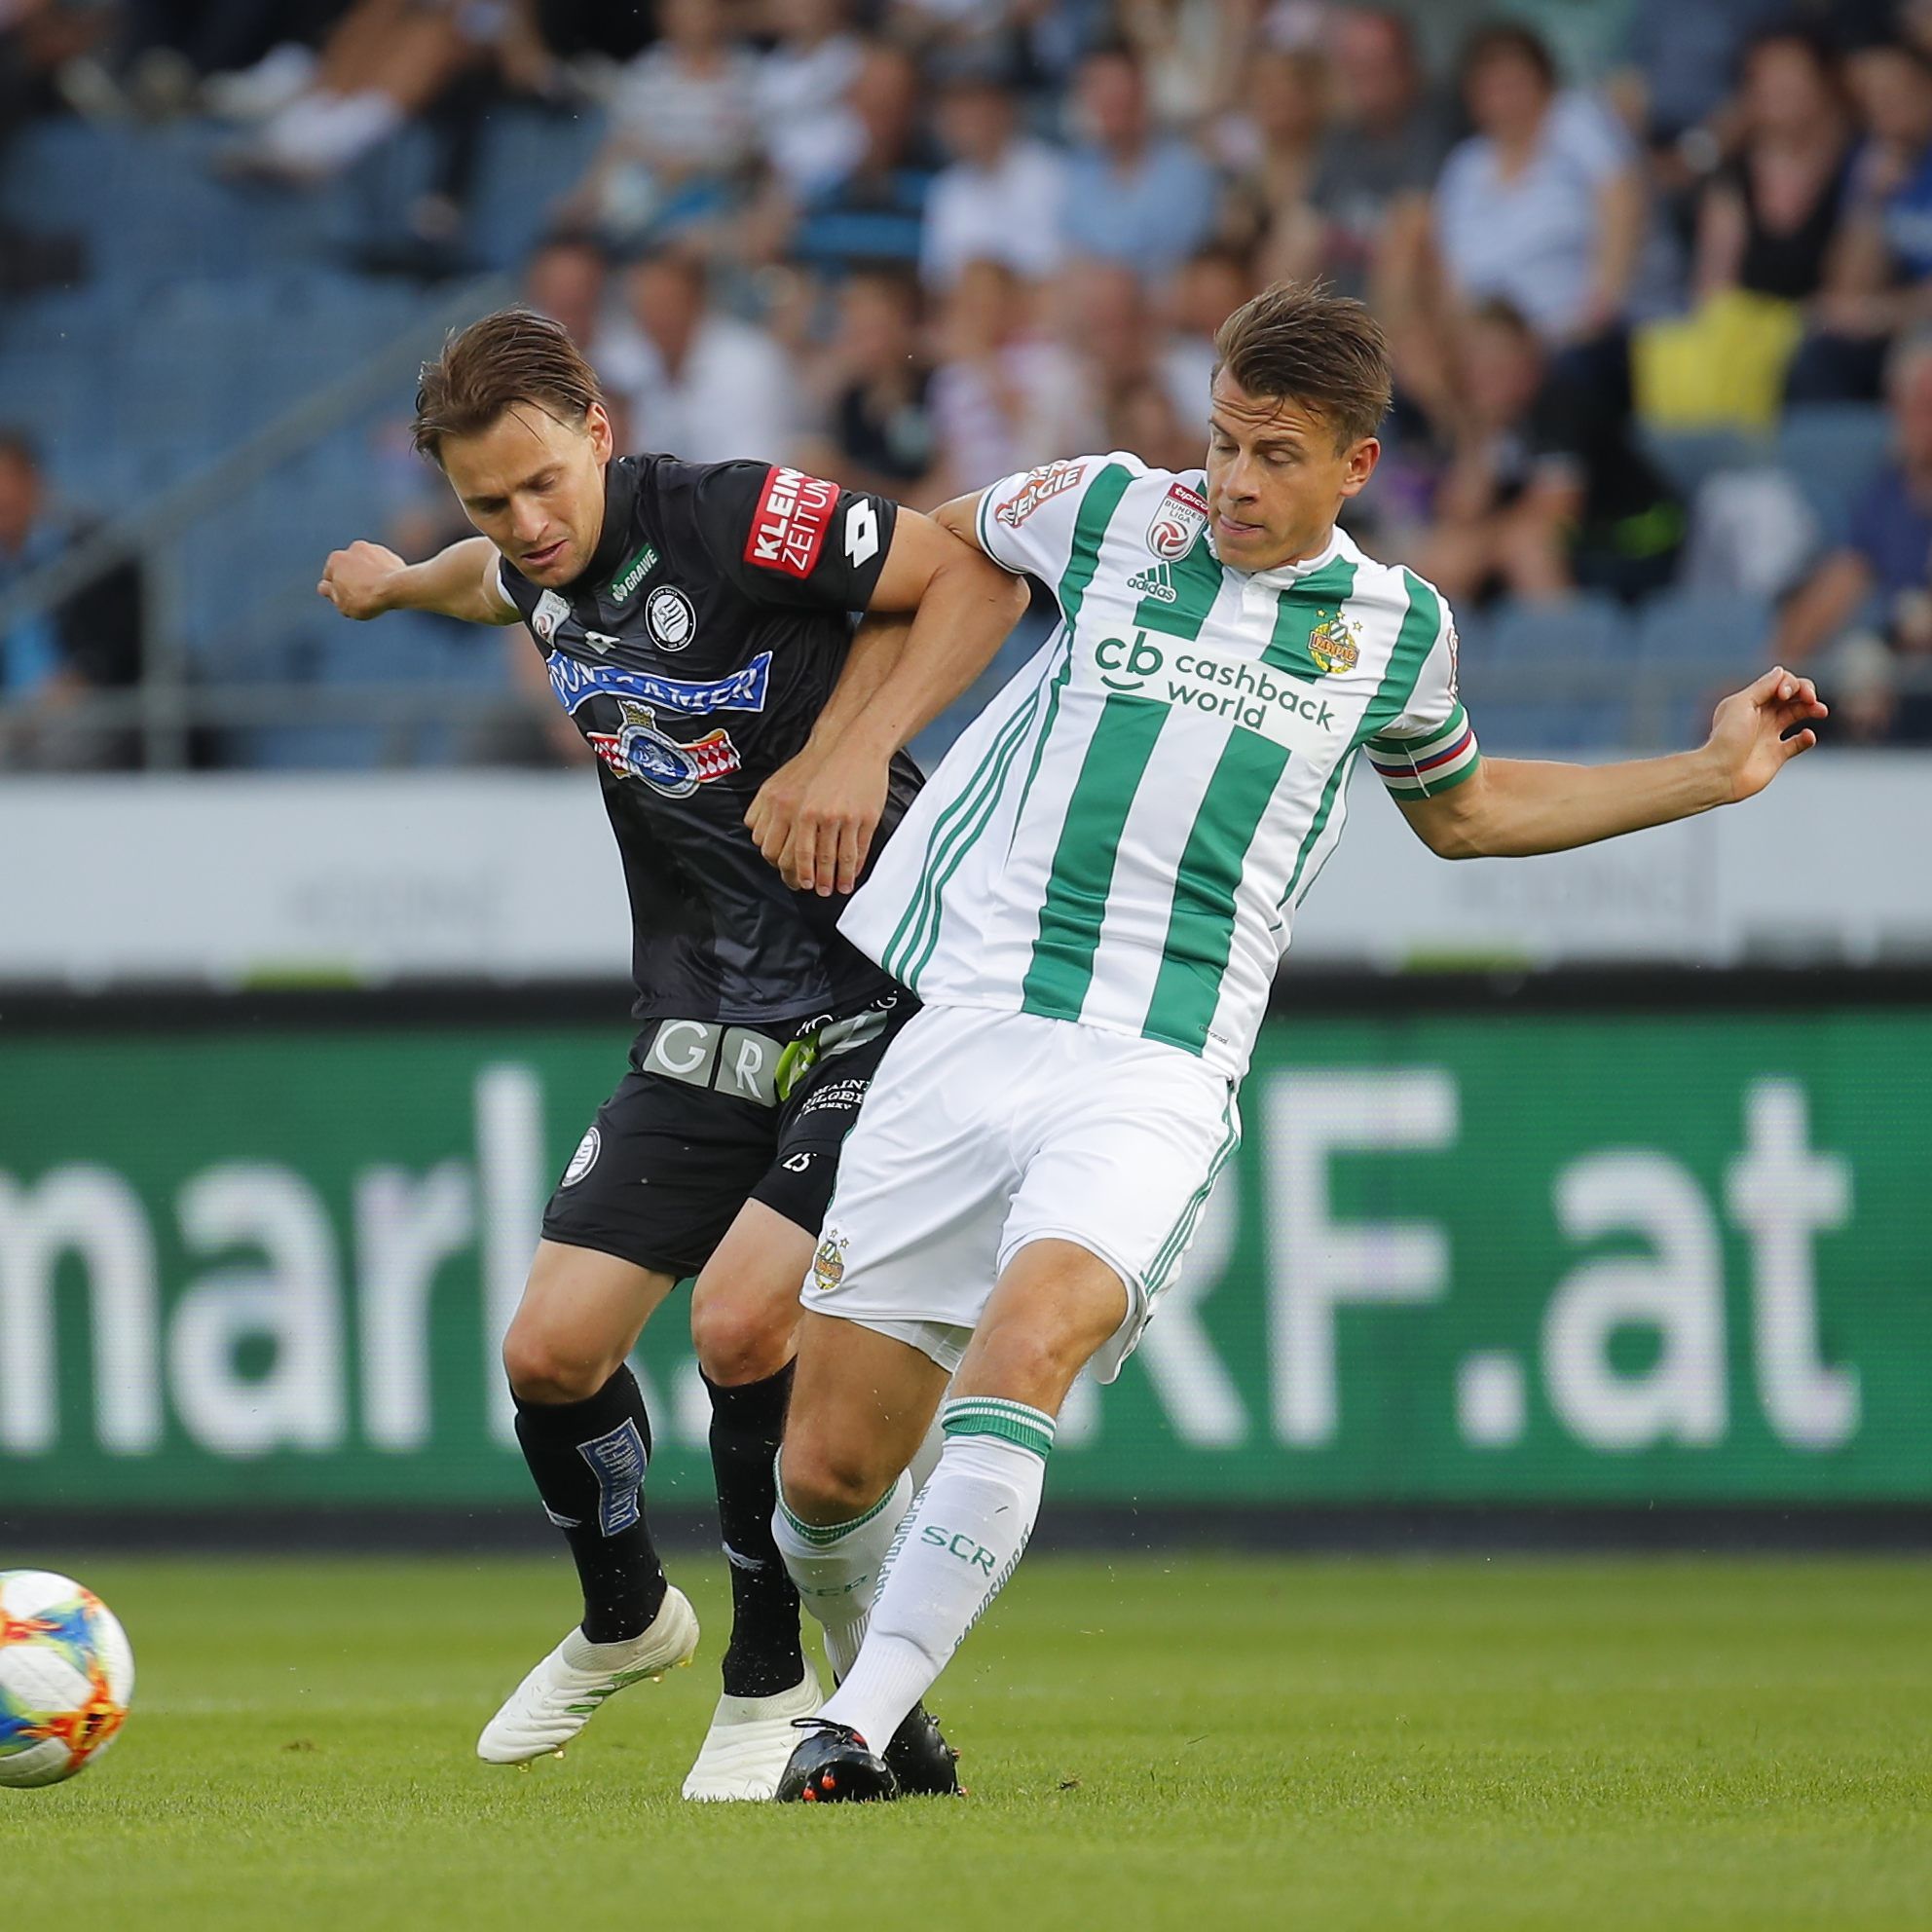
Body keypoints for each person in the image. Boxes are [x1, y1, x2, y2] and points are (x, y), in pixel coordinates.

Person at [738, 280, 1826, 1802]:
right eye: (1226, 440)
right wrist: (853, 737)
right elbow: (936, 551)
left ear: (1358, 467)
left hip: (1154, 1065)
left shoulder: (1395, 629)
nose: (1236, 480)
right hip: (967, 1026)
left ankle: (845, 1735)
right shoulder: (1112, 509)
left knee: (1034, 1337)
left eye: (1278, 454)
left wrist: (1706, 775)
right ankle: (882, 1691)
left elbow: (1466, 812)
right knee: (826, 1482)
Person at [315, 309, 1026, 1801]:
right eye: (485, 501)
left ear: (596, 424)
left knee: (741, 1326)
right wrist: (394, 586)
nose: (524, 523)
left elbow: (966, 572)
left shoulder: (729, 513)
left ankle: (765, 1676)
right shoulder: (526, 559)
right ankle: (629, 1617)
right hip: (706, 1012)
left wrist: (847, 751)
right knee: (551, 1353)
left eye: (539, 484)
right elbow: (487, 587)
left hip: (877, 1001)